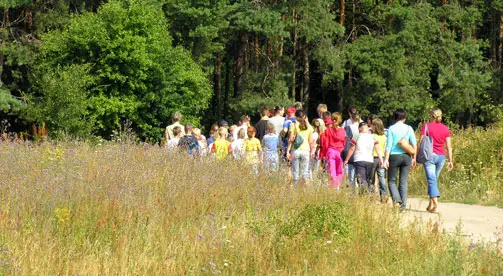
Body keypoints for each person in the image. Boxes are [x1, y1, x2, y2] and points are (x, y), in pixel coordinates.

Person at [417, 108, 453, 213]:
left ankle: (436, 204)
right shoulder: (445, 128)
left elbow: (420, 142)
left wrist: (415, 156)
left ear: (432, 116)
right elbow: (449, 146)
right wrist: (450, 161)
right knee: (433, 180)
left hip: (429, 156)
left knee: (431, 180)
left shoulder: (426, 126)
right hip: (441, 157)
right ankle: (430, 204)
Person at [384, 109, 417, 210]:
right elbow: (414, 144)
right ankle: (403, 206)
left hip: (394, 156)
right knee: (403, 181)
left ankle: (397, 199)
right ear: (404, 118)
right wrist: (414, 158)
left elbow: (388, 145)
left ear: (395, 117)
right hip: (406, 156)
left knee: (391, 181)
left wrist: (386, 159)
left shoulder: (391, 129)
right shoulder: (409, 128)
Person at [343, 122, 383, 194]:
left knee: (361, 179)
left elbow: (352, 149)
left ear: (359, 129)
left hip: (359, 160)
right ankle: (368, 194)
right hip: (370, 160)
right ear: (367, 128)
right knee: (368, 179)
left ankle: (364, 195)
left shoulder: (356, 136)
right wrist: (381, 159)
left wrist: (346, 159)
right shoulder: (373, 137)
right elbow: (378, 149)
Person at [319, 113, 346, 189]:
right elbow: (344, 142)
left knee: (332, 170)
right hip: (339, 152)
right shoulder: (342, 131)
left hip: (331, 151)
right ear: (340, 120)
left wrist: (324, 153)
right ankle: (337, 186)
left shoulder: (328, 130)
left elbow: (325, 143)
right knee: (339, 170)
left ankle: (332, 186)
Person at [286, 110, 313, 185]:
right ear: (304, 116)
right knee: (304, 173)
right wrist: (311, 152)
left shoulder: (293, 125)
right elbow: (310, 141)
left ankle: (295, 189)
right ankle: (304, 190)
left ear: (296, 116)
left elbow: (291, 139)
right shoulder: (309, 127)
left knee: (295, 172)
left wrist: (288, 151)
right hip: (306, 150)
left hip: (295, 150)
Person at [369, 118, 388, 202]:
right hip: (382, 158)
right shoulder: (384, 136)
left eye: (372, 125)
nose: (371, 126)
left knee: (371, 178)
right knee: (381, 178)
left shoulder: (372, 136)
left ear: (375, 126)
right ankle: (384, 195)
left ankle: (372, 196)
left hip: (373, 157)